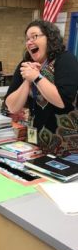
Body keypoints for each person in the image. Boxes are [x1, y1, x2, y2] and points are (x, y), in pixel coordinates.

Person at [5, 19, 78, 154]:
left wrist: (36, 77)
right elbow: (11, 106)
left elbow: (63, 101)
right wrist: (27, 81)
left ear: (50, 38)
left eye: (34, 36)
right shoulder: (26, 64)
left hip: (65, 143)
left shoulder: (66, 60)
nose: (29, 42)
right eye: (27, 39)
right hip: (35, 141)